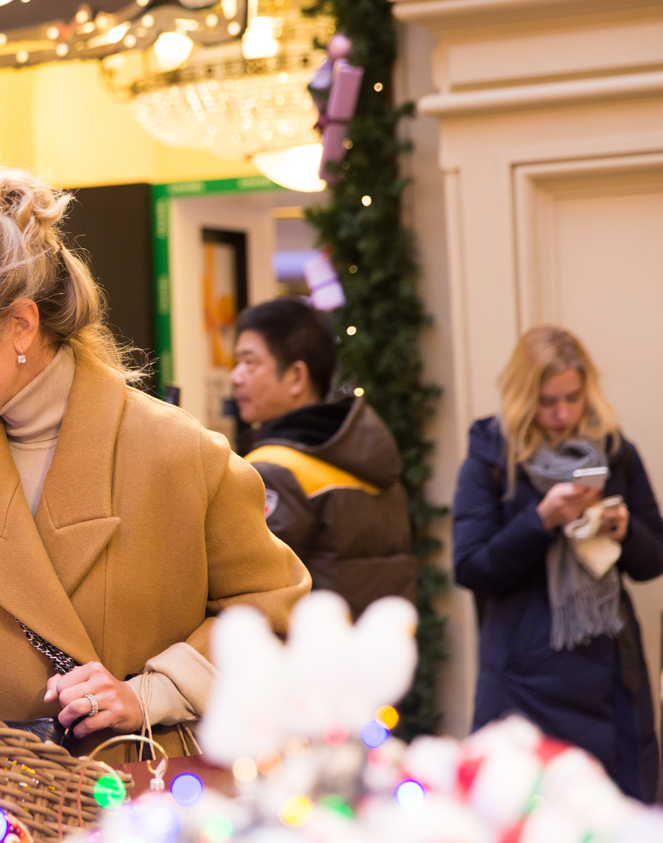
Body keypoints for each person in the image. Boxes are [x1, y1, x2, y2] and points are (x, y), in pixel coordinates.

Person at [0, 166, 308, 757]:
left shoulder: (178, 454)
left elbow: (276, 608)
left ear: (21, 324)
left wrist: (153, 692)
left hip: (146, 801)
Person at [453, 326, 662, 802]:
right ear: (523, 396)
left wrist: (625, 530)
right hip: (523, 680)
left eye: (573, 397)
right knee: (522, 811)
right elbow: (471, 568)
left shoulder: (613, 451)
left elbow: (654, 561)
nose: (563, 413)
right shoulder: (491, 459)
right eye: (548, 402)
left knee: (615, 815)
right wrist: (540, 519)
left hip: (609, 676)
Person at [229, 298, 415, 617]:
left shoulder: (274, 468)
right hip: (375, 653)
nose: (236, 376)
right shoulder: (364, 453)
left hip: (306, 657)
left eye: (250, 362)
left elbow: (254, 589)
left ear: (297, 377)